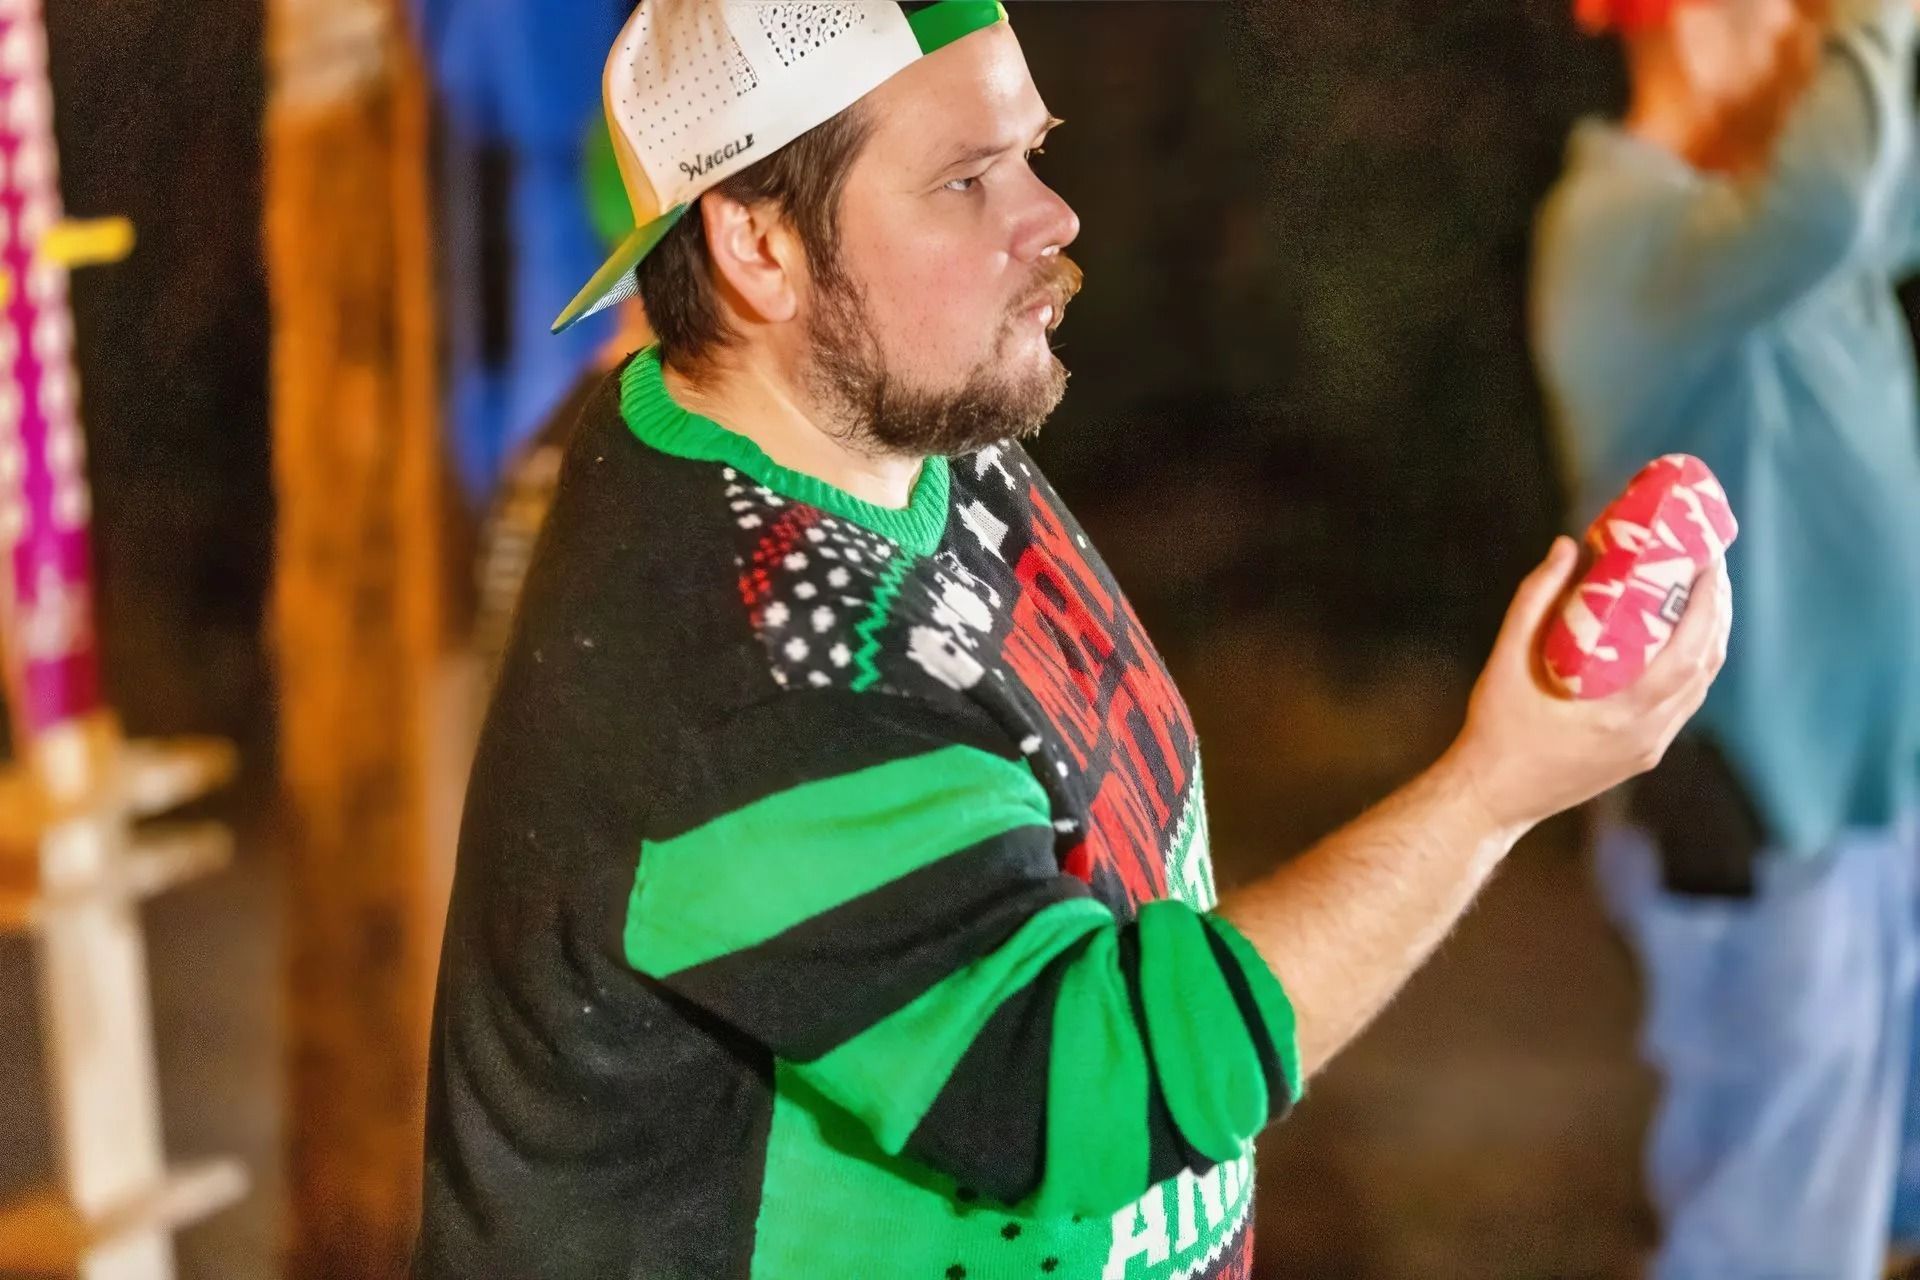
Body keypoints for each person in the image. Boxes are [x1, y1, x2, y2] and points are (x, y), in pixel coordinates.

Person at [414, 3, 1729, 1276]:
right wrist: (1493, 792)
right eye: (965, 182)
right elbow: (1092, 1094)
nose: (1052, 216)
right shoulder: (743, 676)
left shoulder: (890, 425)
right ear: (759, 249)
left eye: (1029, 152)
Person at [1532, 0, 1920, 1274]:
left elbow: (1863, 193)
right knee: (1775, 1234)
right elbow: (1828, 200)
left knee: (1873, 1201)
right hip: (1758, 828)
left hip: (1876, 805)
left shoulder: (1790, 236)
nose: (1817, 38)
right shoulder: (1616, 233)